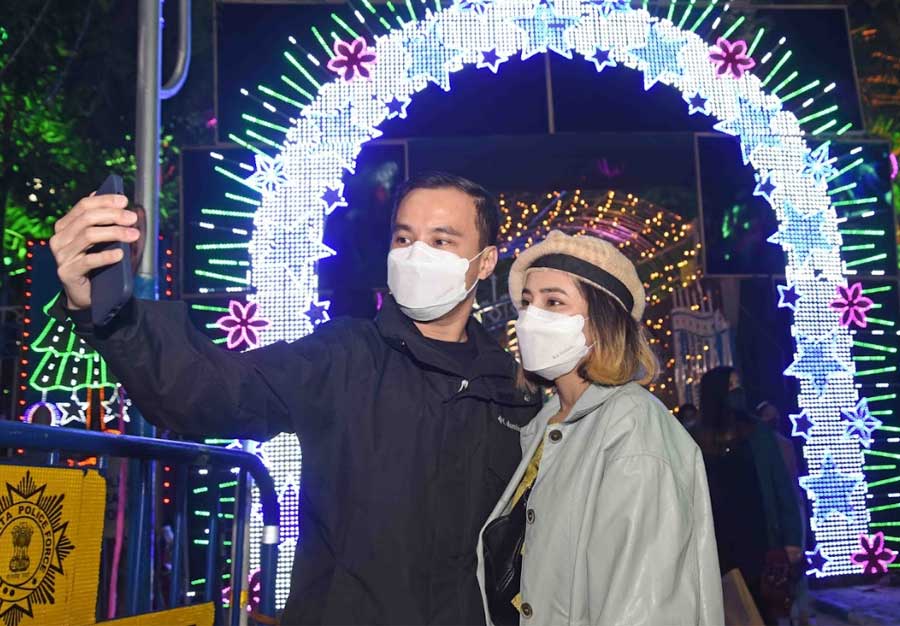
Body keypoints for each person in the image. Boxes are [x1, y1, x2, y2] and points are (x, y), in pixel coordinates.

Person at [48, 172, 541, 625]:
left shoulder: (513, 392)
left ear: (486, 261)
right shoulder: (344, 356)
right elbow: (210, 390)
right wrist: (109, 314)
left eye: (441, 241)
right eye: (404, 238)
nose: (417, 254)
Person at [475, 230, 724, 626]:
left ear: (603, 322)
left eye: (554, 301)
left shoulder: (633, 428)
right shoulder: (547, 424)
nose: (530, 318)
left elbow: (645, 607)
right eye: (526, 303)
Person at [694, 368, 804, 625]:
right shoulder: (695, 438)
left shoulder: (757, 433)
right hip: (717, 543)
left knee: (764, 609)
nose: (736, 391)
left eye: (738, 384)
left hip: (759, 538)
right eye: (730, 385)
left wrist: (791, 537)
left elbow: (781, 487)